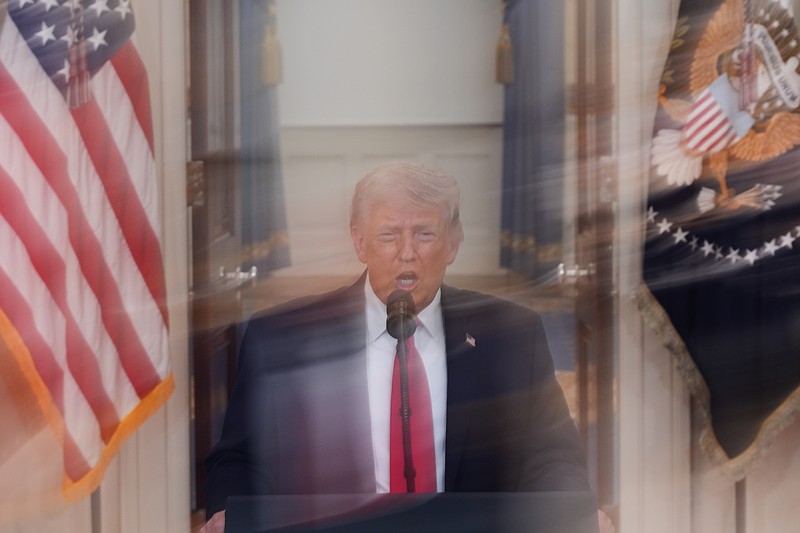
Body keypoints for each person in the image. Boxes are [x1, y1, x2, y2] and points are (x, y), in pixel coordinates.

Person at [200, 162, 593, 532]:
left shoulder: (511, 335)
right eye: (389, 235)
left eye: (425, 234)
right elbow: (238, 458)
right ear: (360, 242)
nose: (407, 252)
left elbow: (553, 455)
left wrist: (570, 513)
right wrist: (227, 514)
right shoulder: (281, 338)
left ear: (453, 243)